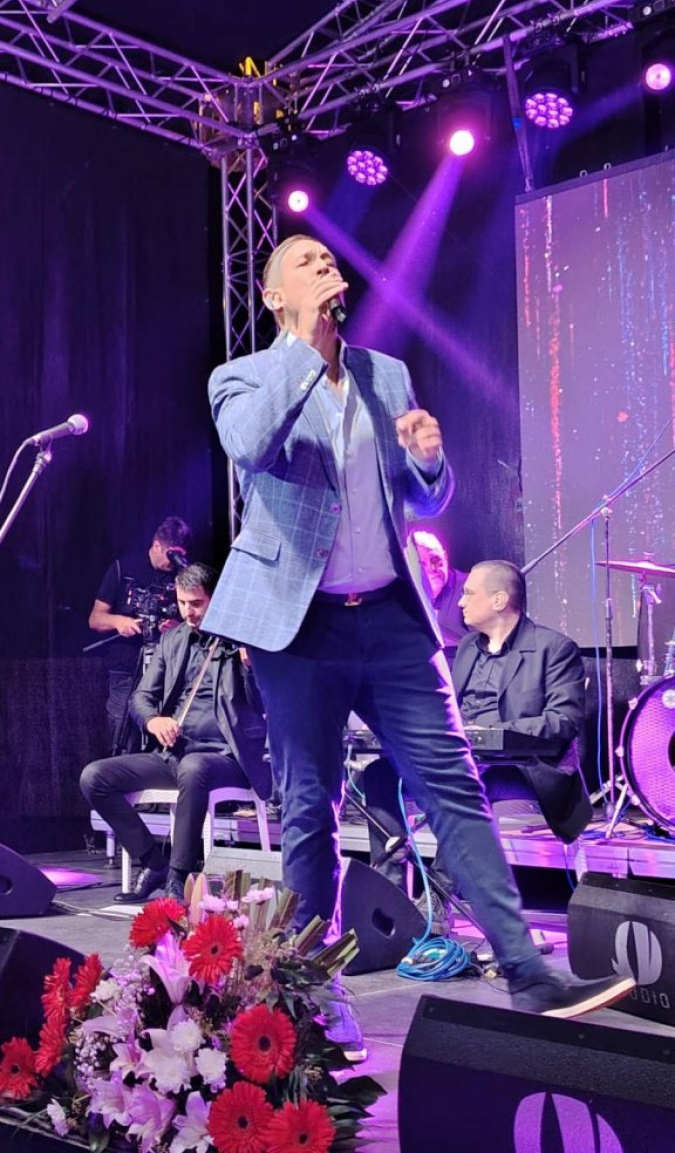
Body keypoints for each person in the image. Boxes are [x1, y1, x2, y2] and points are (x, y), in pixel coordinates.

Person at [202, 233, 631, 1045]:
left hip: (393, 621)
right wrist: (305, 348)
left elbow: (422, 499)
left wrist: (431, 463)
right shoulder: (243, 377)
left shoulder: (386, 374)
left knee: (454, 785)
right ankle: (310, 995)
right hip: (299, 626)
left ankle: (528, 973)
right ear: (273, 295)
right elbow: (251, 446)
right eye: (305, 262)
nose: (325, 266)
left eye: (329, 259)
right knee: (311, 807)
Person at [364, 559, 592, 916]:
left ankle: (437, 900)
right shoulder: (468, 647)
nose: (460, 601)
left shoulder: (554, 648)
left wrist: (494, 735)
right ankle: (389, 893)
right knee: (379, 773)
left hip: (525, 769)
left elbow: (563, 722)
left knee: (469, 780)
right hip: (464, 757)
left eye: (469, 593)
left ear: (499, 600)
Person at [81, 562, 270, 904]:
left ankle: (179, 877)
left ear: (216, 598)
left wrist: (252, 667)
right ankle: (155, 863)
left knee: (194, 767)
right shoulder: (173, 639)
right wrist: (154, 721)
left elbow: (263, 703)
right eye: (182, 603)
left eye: (196, 603)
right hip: (175, 755)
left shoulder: (241, 641)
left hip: (228, 757)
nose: (188, 612)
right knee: (95, 777)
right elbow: (141, 697)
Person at [88, 516, 192, 753]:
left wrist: (177, 627)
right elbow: (95, 619)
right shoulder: (123, 568)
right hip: (127, 667)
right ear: (156, 546)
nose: (173, 563)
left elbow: (197, 619)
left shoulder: (181, 575)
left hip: (168, 668)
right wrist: (119, 622)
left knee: (166, 727)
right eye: (170, 555)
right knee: (122, 729)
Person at [411, 529, 469, 649]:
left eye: (435, 560)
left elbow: (482, 643)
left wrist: (431, 615)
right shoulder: (403, 598)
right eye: (422, 564)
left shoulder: (470, 588)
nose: (431, 568)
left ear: (445, 557)